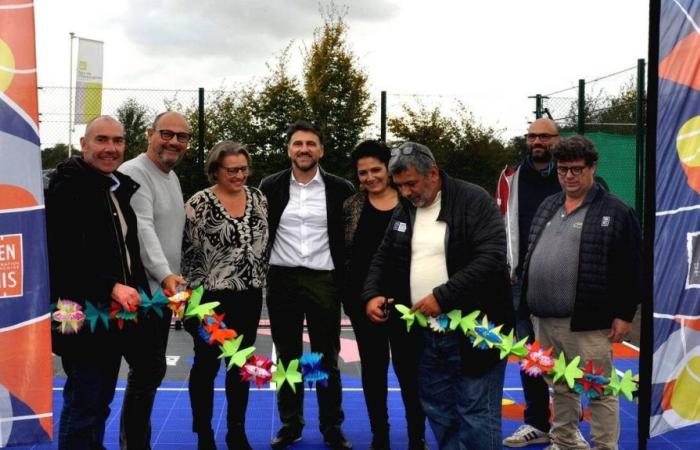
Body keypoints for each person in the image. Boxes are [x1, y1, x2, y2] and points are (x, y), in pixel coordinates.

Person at [362, 142, 513, 450]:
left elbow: (492, 257)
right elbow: (384, 254)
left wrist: (443, 297)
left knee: (476, 414)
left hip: (476, 331)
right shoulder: (406, 208)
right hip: (425, 335)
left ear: (432, 173)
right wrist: (372, 293)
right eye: (400, 186)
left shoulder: (474, 200)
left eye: (411, 184)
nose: (404, 193)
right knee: (439, 411)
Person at [521, 136, 642, 450]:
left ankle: (604, 446)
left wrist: (624, 314)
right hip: (544, 319)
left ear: (592, 168)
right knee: (560, 385)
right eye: (563, 170)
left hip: (589, 321)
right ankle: (564, 441)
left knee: (598, 389)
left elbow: (633, 267)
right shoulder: (549, 204)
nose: (569, 176)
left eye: (576, 169)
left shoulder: (616, 211)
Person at [45, 116, 151, 449]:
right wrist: (109, 286)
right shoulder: (65, 189)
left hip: (111, 312)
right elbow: (61, 257)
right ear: (84, 143)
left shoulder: (115, 187)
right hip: (75, 311)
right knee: (84, 402)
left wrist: (140, 293)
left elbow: (126, 253)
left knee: (98, 399)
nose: (111, 148)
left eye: (118, 141)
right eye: (102, 140)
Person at [259, 120, 354, 449]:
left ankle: (331, 426)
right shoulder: (269, 185)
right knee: (288, 358)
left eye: (310, 144)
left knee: (325, 358)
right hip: (281, 278)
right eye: (298, 143)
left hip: (324, 279)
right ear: (289, 149)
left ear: (321, 150)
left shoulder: (341, 188)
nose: (304, 149)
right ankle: (291, 423)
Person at [180, 141, 268, 449]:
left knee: (240, 366)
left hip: (249, 295)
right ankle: (204, 433)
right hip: (208, 300)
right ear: (215, 170)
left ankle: (236, 431)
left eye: (243, 169)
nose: (240, 175)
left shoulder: (258, 198)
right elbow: (185, 254)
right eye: (232, 170)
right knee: (206, 365)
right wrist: (189, 303)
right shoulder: (198, 203)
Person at [343, 140, 426, 450]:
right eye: (362, 173)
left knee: (410, 373)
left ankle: (416, 436)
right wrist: (356, 298)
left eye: (375, 170)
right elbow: (346, 254)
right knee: (373, 373)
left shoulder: (411, 204)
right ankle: (381, 436)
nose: (369, 178)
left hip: (409, 304)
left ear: (389, 170)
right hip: (364, 304)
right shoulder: (351, 206)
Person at [118, 110, 190, 447]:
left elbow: (170, 233)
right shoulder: (134, 172)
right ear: (149, 133)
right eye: (166, 133)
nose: (174, 141)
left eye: (182, 136)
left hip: (160, 294)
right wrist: (165, 275)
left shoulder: (170, 176)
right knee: (144, 374)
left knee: (149, 374)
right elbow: (142, 229)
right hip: (140, 295)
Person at [496, 118, 561, 447]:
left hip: (564, 281)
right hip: (522, 281)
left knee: (564, 354)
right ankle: (538, 422)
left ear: (557, 139)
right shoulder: (510, 178)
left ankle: (567, 428)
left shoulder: (572, 175)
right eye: (533, 135)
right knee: (531, 355)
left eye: (545, 136)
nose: (538, 141)